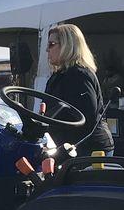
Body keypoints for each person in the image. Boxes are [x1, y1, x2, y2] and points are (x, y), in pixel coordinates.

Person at [43, 24, 114, 156]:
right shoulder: (57, 76)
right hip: (69, 146)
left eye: (52, 44)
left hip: (90, 148)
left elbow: (87, 117)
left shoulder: (79, 75)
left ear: (67, 46)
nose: (47, 50)